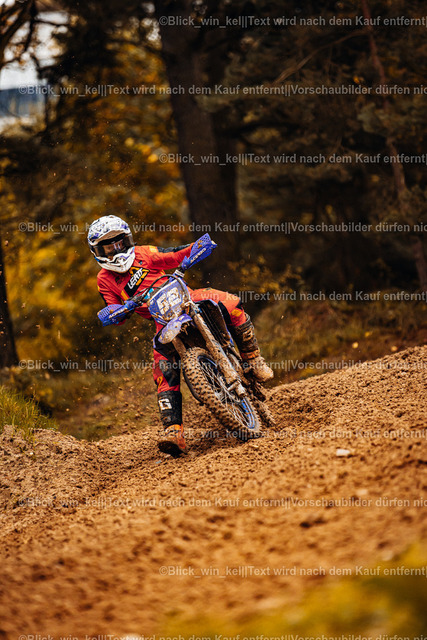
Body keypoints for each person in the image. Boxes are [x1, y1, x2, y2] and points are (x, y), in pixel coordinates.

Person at [88, 215, 273, 457]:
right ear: (97, 251)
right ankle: (173, 431)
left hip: (188, 299)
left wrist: (199, 247)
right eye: (108, 247)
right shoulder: (104, 279)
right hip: (162, 321)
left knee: (231, 304)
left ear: (128, 240)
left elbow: (176, 253)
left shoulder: (145, 253)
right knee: (163, 369)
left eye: (119, 242)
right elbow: (113, 312)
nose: (116, 249)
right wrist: (120, 310)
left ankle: (253, 359)